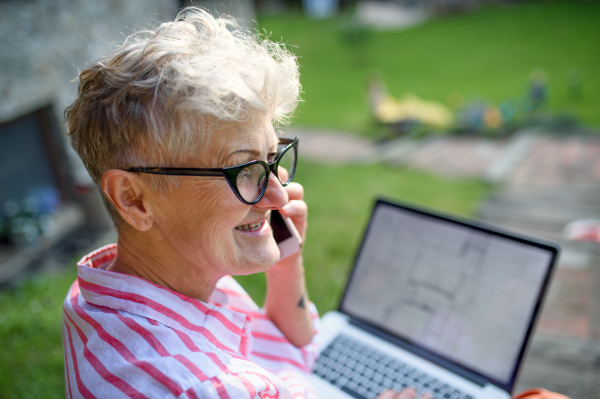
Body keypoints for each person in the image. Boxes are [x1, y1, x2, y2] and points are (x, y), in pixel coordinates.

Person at [62, 7, 570, 399]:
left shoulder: (117, 288)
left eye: (272, 157)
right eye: (243, 170)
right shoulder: (202, 387)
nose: (279, 194)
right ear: (134, 198)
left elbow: (291, 353)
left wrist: (284, 266)